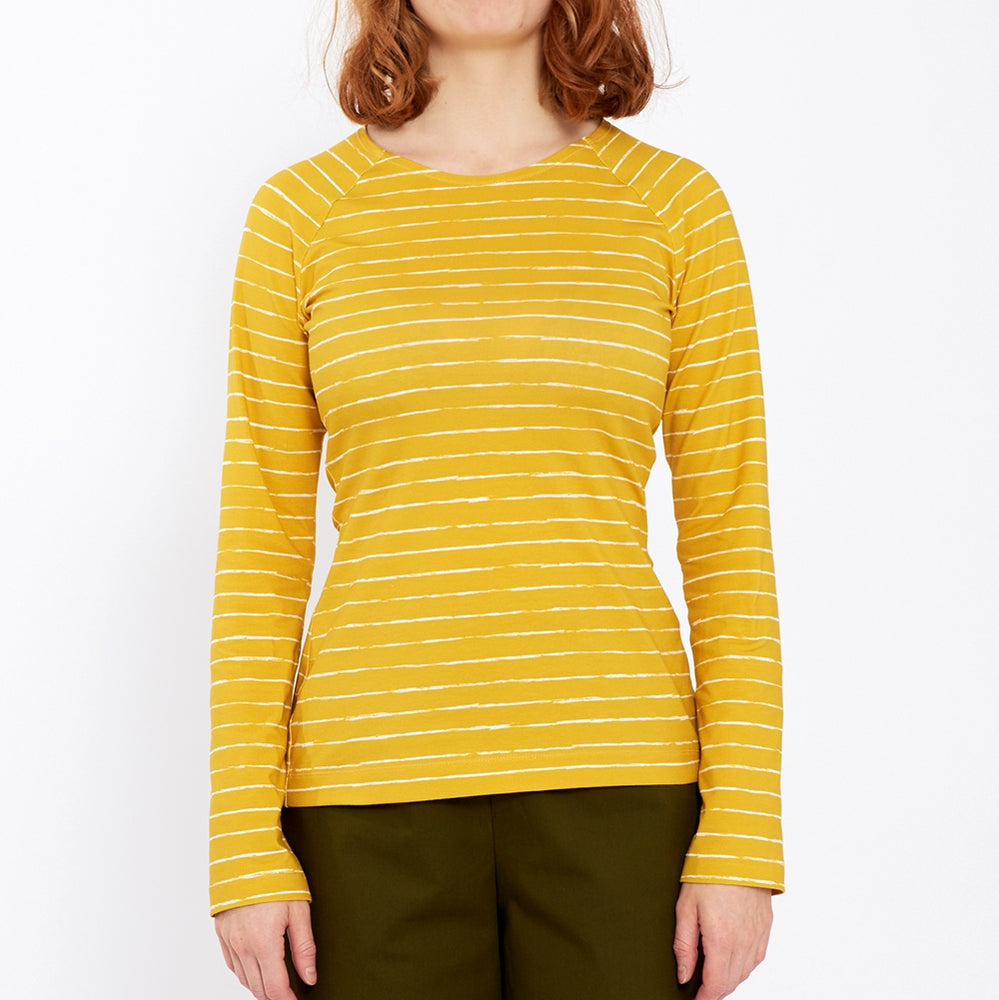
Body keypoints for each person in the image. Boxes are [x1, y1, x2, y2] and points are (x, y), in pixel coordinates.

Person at [209, 0, 783, 998]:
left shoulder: (674, 207)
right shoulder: (300, 214)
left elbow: (729, 530)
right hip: (367, 795)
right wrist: (242, 842)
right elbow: (262, 539)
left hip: (622, 785)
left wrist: (742, 833)